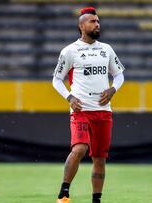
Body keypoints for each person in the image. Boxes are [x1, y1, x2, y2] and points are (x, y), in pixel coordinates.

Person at [52, 7, 125, 203]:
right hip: (81, 110)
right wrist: (69, 98)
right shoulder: (69, 51)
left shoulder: (106, 49)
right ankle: (64, 192)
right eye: (93, 21)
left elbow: (119, 74)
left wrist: (112, 90)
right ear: (82, 26)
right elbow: (56, 79)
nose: (97, 24)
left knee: (100, 159)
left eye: (98, 21)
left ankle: (96, 200)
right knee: (80, 148)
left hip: (103, 112)